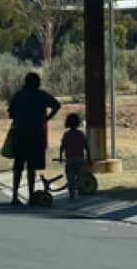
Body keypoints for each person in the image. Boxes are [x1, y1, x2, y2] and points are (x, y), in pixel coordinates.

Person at [7, 71, 61, 205]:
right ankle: (31, 195)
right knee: (32, 167)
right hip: (36, 134)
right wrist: (46, 118)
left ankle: (14, 195)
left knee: (18, 166)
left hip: (20, 134)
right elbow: (57, 105)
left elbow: (11, 113)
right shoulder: (41, 95)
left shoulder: (19, 95)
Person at [57, 113, 90, 201]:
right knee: (80, 176)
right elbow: (86, 147)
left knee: (70, 178)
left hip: (69, 159)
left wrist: (60, 157)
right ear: (78, 123)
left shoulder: (66, 134)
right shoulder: (81, 134)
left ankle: (72, 195)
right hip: (80, 158)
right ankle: (80, 191)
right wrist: (89, 159)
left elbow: (62, 147)